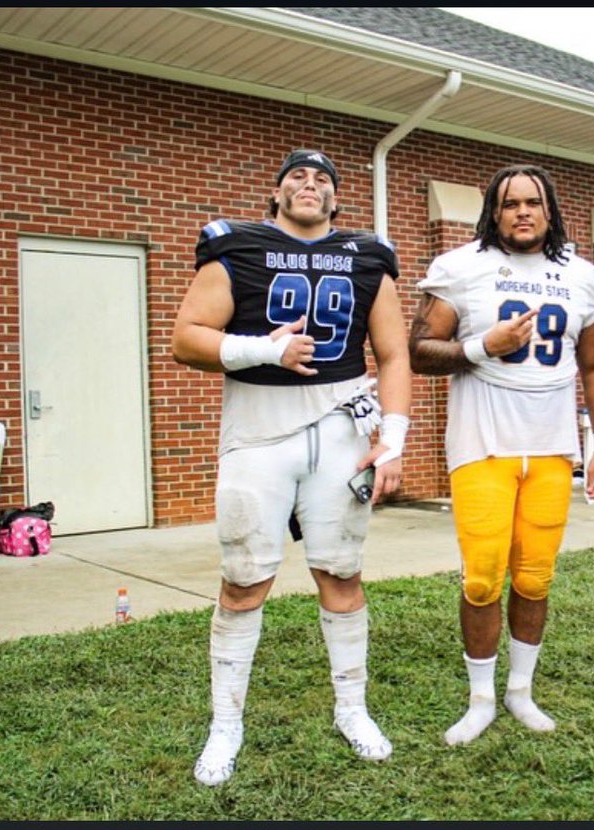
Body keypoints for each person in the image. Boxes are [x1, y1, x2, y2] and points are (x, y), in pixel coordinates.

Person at [172, 149, 412, 784]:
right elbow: (186, 337)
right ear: (276, 193)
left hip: (340, 430)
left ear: (335, 198)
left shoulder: (367, 257)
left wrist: (393, 438)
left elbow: (393, 354)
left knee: (341, 572)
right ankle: (226, 724)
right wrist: (263, 350)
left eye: (323, 179)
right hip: (258, 434)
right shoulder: (238, 247)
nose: (311, 185)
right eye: (298, 177)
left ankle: (352, 709)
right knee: (243, 579)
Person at [408, 164, 594, 746]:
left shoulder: (583, 277)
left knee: (535, 576)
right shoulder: (461, 267)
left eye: (532, 202)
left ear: (550, 211)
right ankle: (481, 698)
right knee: (481, 578)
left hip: (552, 444)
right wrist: (481, 346)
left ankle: (520, 691)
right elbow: (418, 350)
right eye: (510, 203)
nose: (522, 212)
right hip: (482, 442)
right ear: (493, 213)